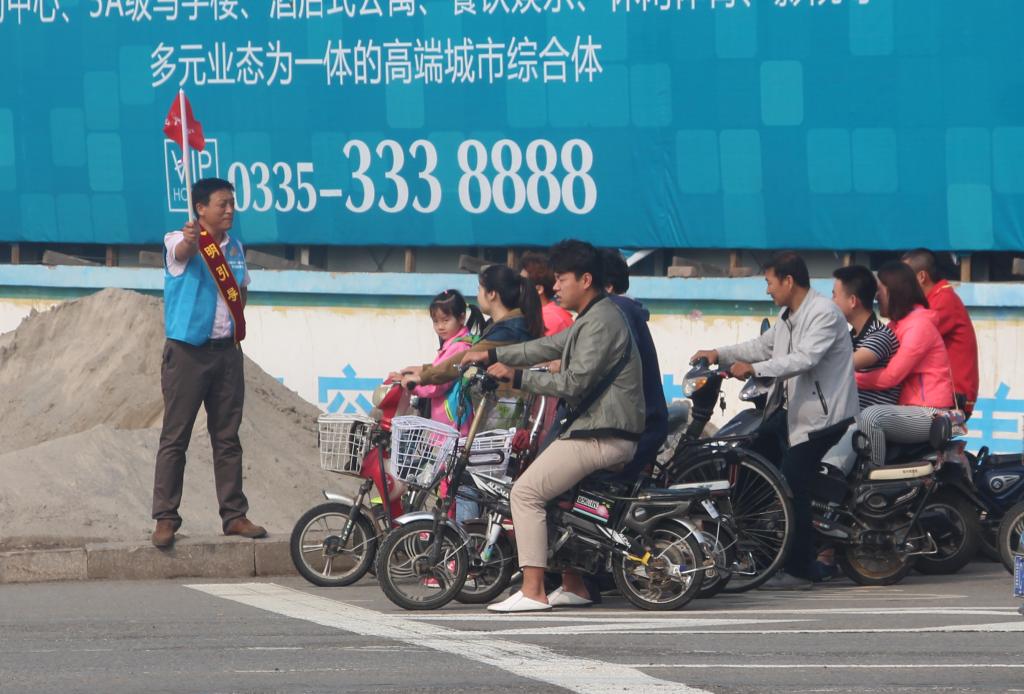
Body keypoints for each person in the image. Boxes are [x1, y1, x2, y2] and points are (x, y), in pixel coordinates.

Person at [461, 239, 644, 613]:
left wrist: (517, 377)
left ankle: (533, 590)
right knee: (560, 503)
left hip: (602, 434)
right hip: (599, 431)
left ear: (586, 280)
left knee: (525, 492)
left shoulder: (601, 321)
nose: (554, 286)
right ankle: (575, 585)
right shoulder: (591, 318)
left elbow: (574, 383)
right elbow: (545, 347)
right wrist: (491, 353)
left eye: (561, 279)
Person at [691, 251, 858, 591]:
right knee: (749, 462)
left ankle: (801, 568)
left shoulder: (823, 314)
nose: (767, 289)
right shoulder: (787, 316)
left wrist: (755, 370)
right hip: (791, 411)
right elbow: (761, 346)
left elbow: (805, 359)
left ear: (788, 281)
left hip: (822, 417)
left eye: (769, 282)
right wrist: (718, 354)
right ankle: (759, 550)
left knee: (792, 484)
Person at [151, 178, 266, 549]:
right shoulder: (179, 239)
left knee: (228, 438)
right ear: (200, 209)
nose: (230, 210)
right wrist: (190, 240)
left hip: (227, 352)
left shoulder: (235, 247)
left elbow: (241, 289)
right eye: (222, 204)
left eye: (232, 203)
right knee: (176, 437)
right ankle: (165, 518)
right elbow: (182, 252)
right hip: (188, 352)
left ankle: (234, 515)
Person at [856, 261, 955, 468]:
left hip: (930, 412)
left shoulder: (919, 326)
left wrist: (848, 378)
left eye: (880, 290)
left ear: (894, 291)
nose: (876, 297)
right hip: (907, 408)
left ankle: (873, 474)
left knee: (871, 417)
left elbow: (891, 376)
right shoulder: (896, 325)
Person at [601, 248, 668, 478]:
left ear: (607, 287)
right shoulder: (621, 310)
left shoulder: (617, 312)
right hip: (633, 422)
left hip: (637, 427)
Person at [901, 249, 979, 417]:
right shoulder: (932, 299)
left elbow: (908, 341)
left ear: (922, 277)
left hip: (952, 398)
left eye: (904, 278)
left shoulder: (943, 300)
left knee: (876, 418)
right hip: (936, 396)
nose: (899, 284)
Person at [832, 265, 901, 410]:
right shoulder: (852, 335)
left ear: (852, 301)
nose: (831, 302)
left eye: (834, 296)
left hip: (871, 420)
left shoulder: (881, 335)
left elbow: (843, 364)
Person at [520, 251, 574, 336]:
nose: (518, 288)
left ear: (539, 290)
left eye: (522, 284)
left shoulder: (549, 318)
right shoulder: (550, 312)